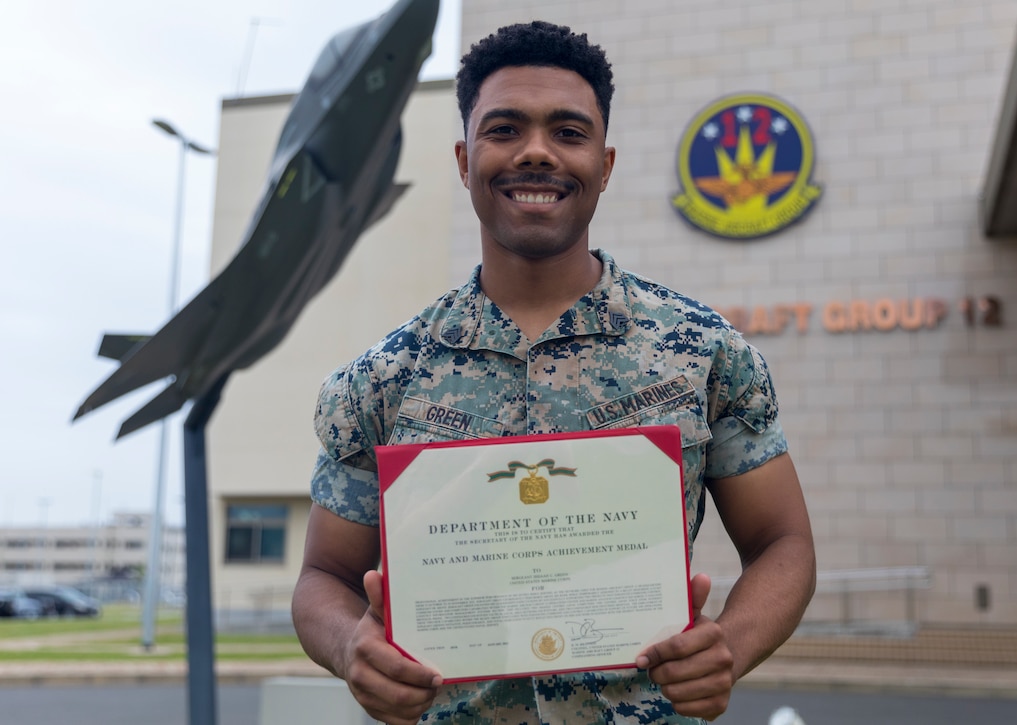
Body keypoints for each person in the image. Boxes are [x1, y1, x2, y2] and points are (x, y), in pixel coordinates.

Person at [292, 20, 815, 725]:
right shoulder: (384, 377)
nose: (536, 152)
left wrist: (730, 643)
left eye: (568, 132)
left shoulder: (704, 352)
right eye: (504, 129)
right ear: (463, 156)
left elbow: (782, 541)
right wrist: (349, 644)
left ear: (604, 163)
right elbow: (323, 576)